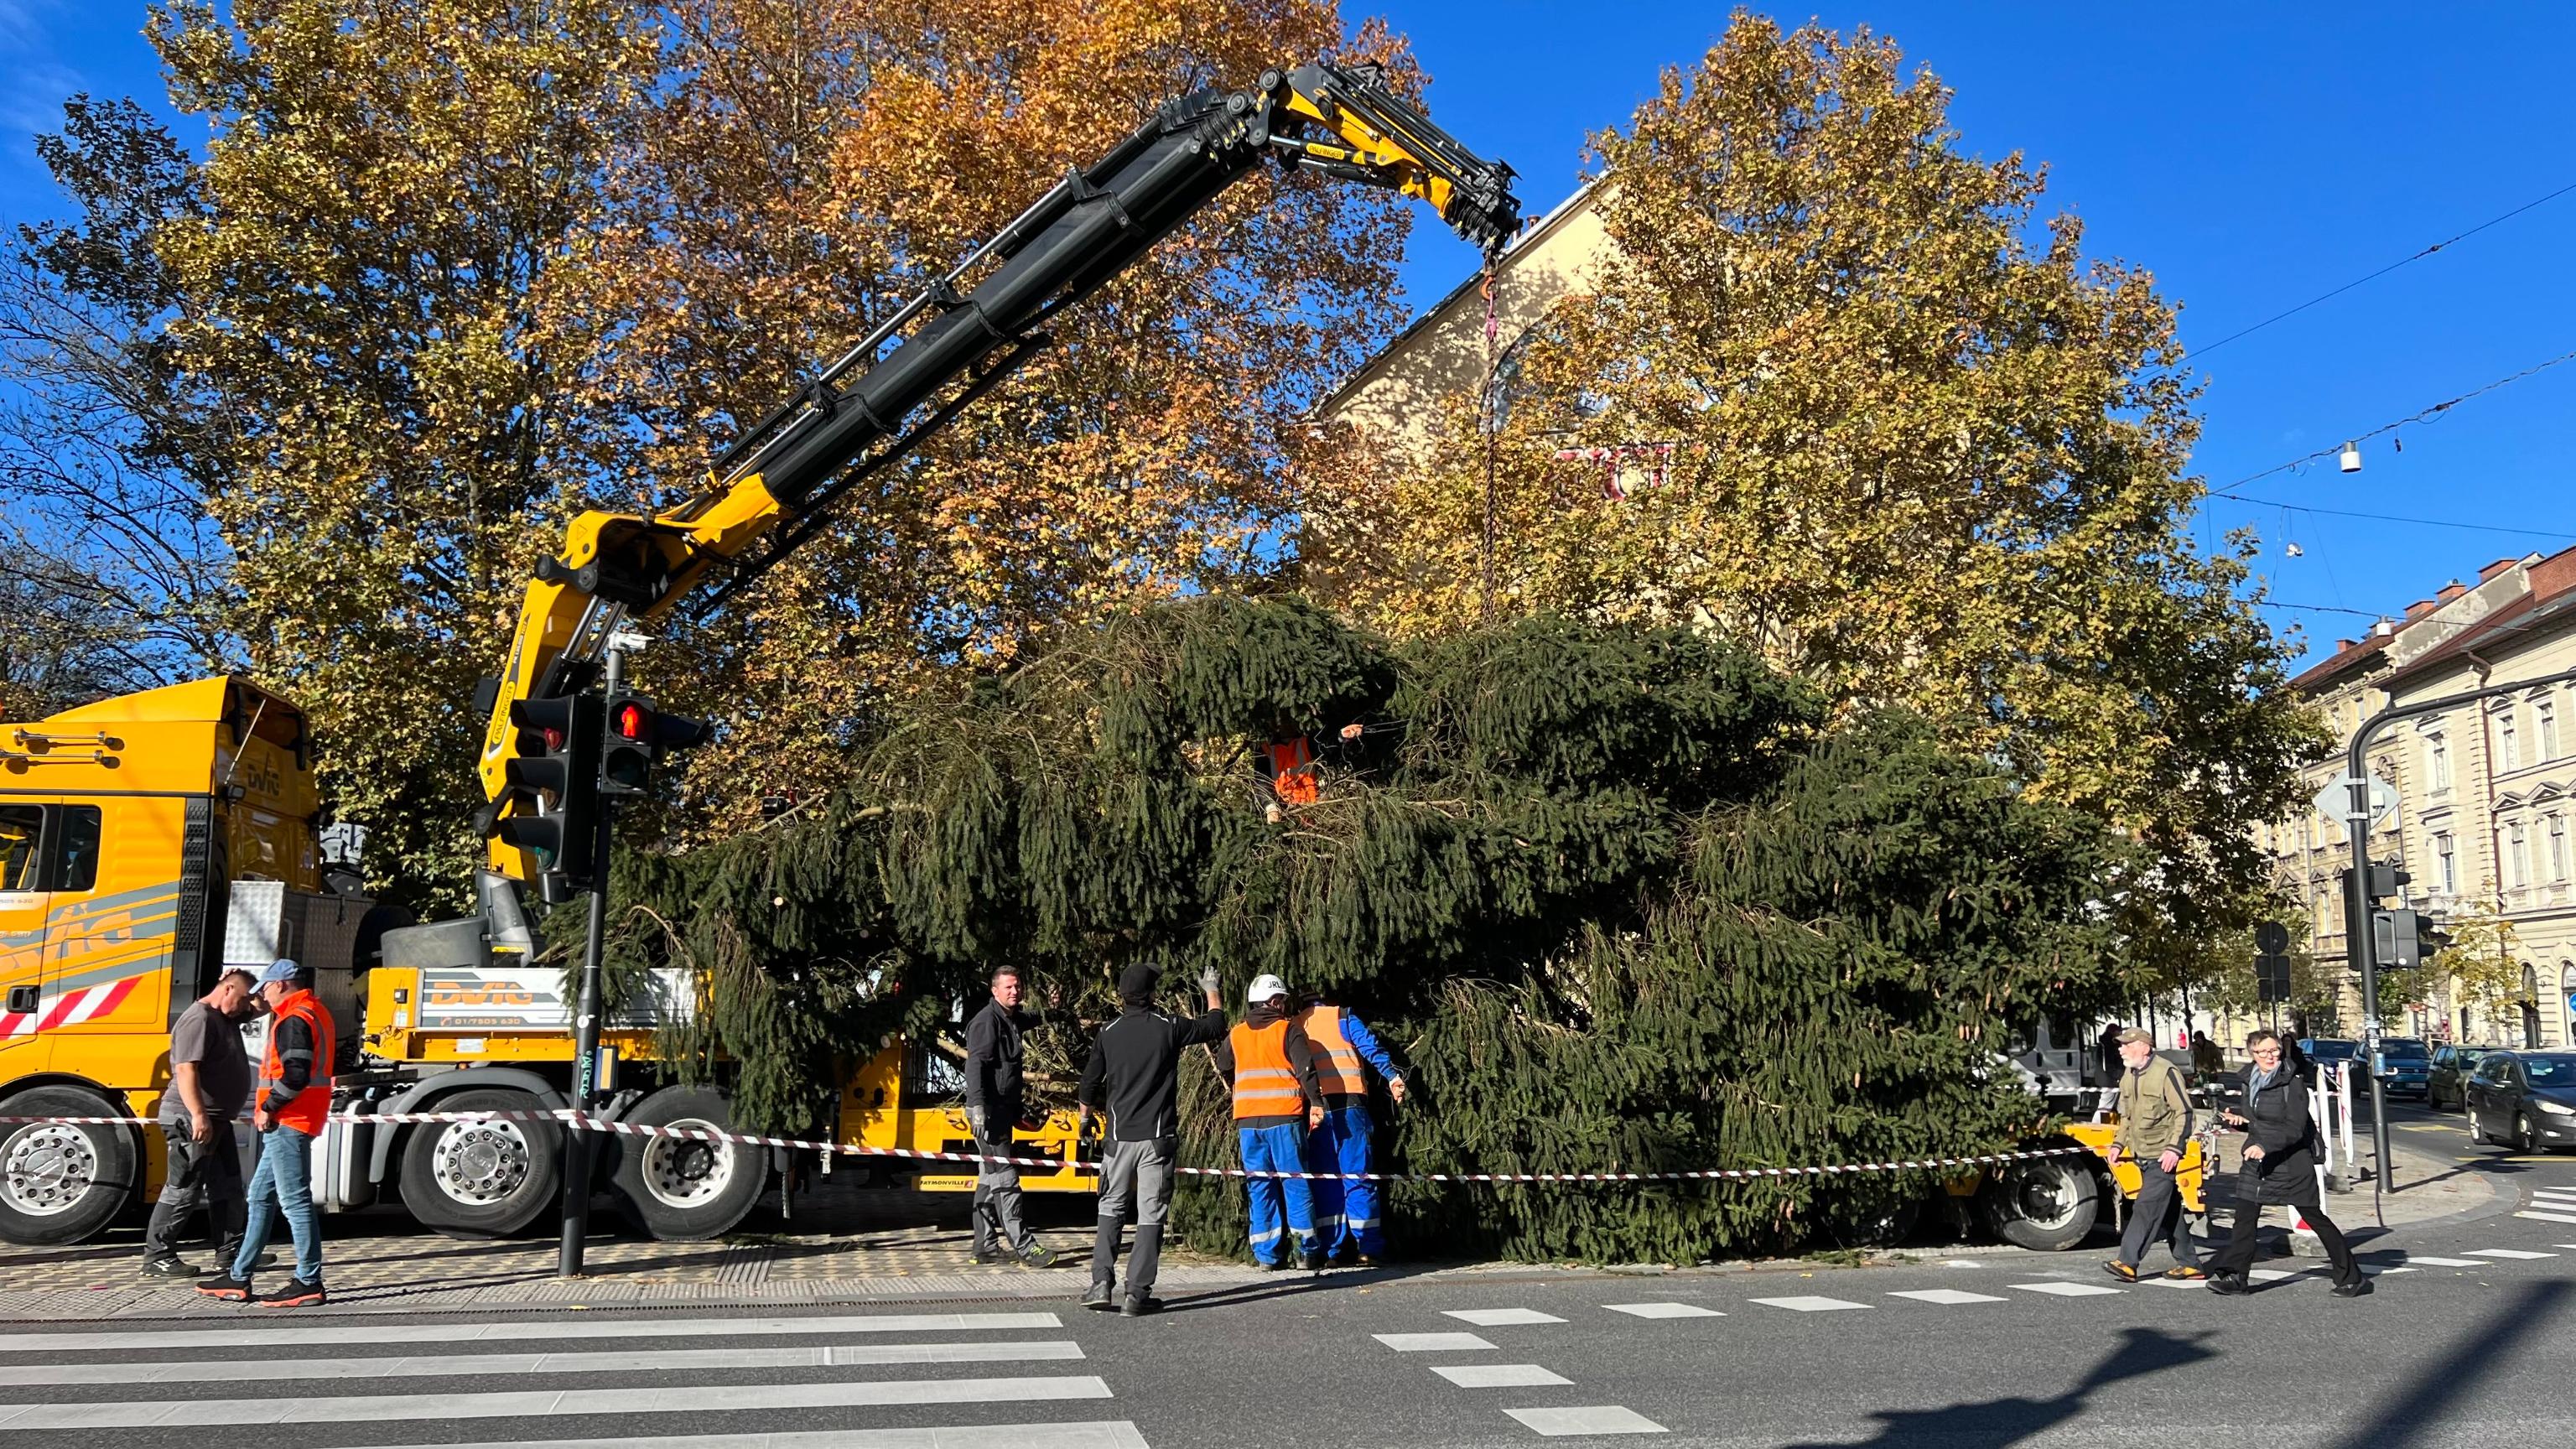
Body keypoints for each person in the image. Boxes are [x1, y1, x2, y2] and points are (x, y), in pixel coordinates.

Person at [1075, 962, 1230, 1316]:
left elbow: (1088, 1083)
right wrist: (1211, 990)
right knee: (1150, 1215)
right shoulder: (1169, 1027)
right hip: (1157, 1140)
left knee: (1110, 1209)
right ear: (1152, 995)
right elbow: (1215, 1025)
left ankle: (1100, 1284)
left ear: (1122, 996)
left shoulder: (1108, 1032)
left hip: (1117, 1140)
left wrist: (1085, 1119)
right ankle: (1137, 1294)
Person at [200, 958, 336, 1307]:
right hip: (295, 1119)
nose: (262, 996)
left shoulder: (294, 1018)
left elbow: (295, 1076)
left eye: (265, 988)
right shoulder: (313, 1010)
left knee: (294, 1201)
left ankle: (308, 1281)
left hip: (289, 1119)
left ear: (280, 985)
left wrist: (268, 1106)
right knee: (260, 1196)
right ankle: (239, 1276)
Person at [2207, 1029, 2368, 1298]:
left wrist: (2264, 1145)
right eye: (2263, 1052)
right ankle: (2235, 1277)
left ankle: (2350, 1276)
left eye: (2274, 1050)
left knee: (2313, 1217)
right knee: (2245, 1218)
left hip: (2292, 1162)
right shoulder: (2250, 1079)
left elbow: (2294, 1128)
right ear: (2252, 1053)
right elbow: (2257, 1120)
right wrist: (2239, 1121)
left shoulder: (2291, 1082)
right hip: (2259, 1161)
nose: (2271, 1056)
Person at [142, 969, 259, 1278]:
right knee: (183, 1188)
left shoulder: (227, 1015)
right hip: (191, 1119)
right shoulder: (200, 1019)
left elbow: (263, 1005)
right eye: (243, 998)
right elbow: (185, 1070)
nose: (247, 1005)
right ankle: (157, 1256)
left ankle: (229, 1253)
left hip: (216, 1120)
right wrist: (198, 1114)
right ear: (227, 989)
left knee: (228, 1186)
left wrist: (261, 989)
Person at [1216, 974, 1327, 1270]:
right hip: (1284, 1117)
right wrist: (1316, 1102)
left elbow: (1223, 1064)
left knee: (1259, 1185)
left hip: (1248, 1121)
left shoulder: (1236, 1034)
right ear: (1274, 1001)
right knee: (1295, 1182)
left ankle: (1267, 1256)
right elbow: (1306, 1070)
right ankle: (1306, 1252)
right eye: (1283, 1001)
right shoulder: (1287, 1030)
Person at [1297, 992, 1408, 1265]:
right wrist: (1392, 1077)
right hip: (1350, 1106)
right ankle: (1368, 1249)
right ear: (1323, 1000)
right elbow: (1370, 1047)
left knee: (1326, 1182)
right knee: (1357, 1177)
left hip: (1316, 1110)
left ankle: (1330, 1252)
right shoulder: (1341, 1016)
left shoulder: (1293, 1025)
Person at [963, 966, 1056, 1268]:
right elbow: (975, 1065)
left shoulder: (1010, 1018)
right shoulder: (986, 1022)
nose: (1014, 991)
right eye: (1008, 988)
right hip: (987, 1114)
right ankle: (1026, 1248)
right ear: (995, 991)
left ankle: (986, 1246)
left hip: (1002, 1113)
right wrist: (978, 1107)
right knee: (1005, 1180)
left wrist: (1056, 1012)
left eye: (1017, 986)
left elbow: (1032, 1019)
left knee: (989, 1180)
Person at [2104, 1027, 2204, 1282]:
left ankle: (2127, 1262)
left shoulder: (2165, 1073)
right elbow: (2127, 1116)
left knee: (2146, 1206)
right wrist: (2118, 1143)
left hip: (2163, 1154)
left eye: (2127, 1044)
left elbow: (2184, 1113)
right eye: (2121, 1045)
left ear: (2145, 1048)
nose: (2121, 1049)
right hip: (2141, 1154)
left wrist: (2174, 1148)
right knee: (2168, 1209)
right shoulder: (2129, 1073)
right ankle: (2190, 1263)